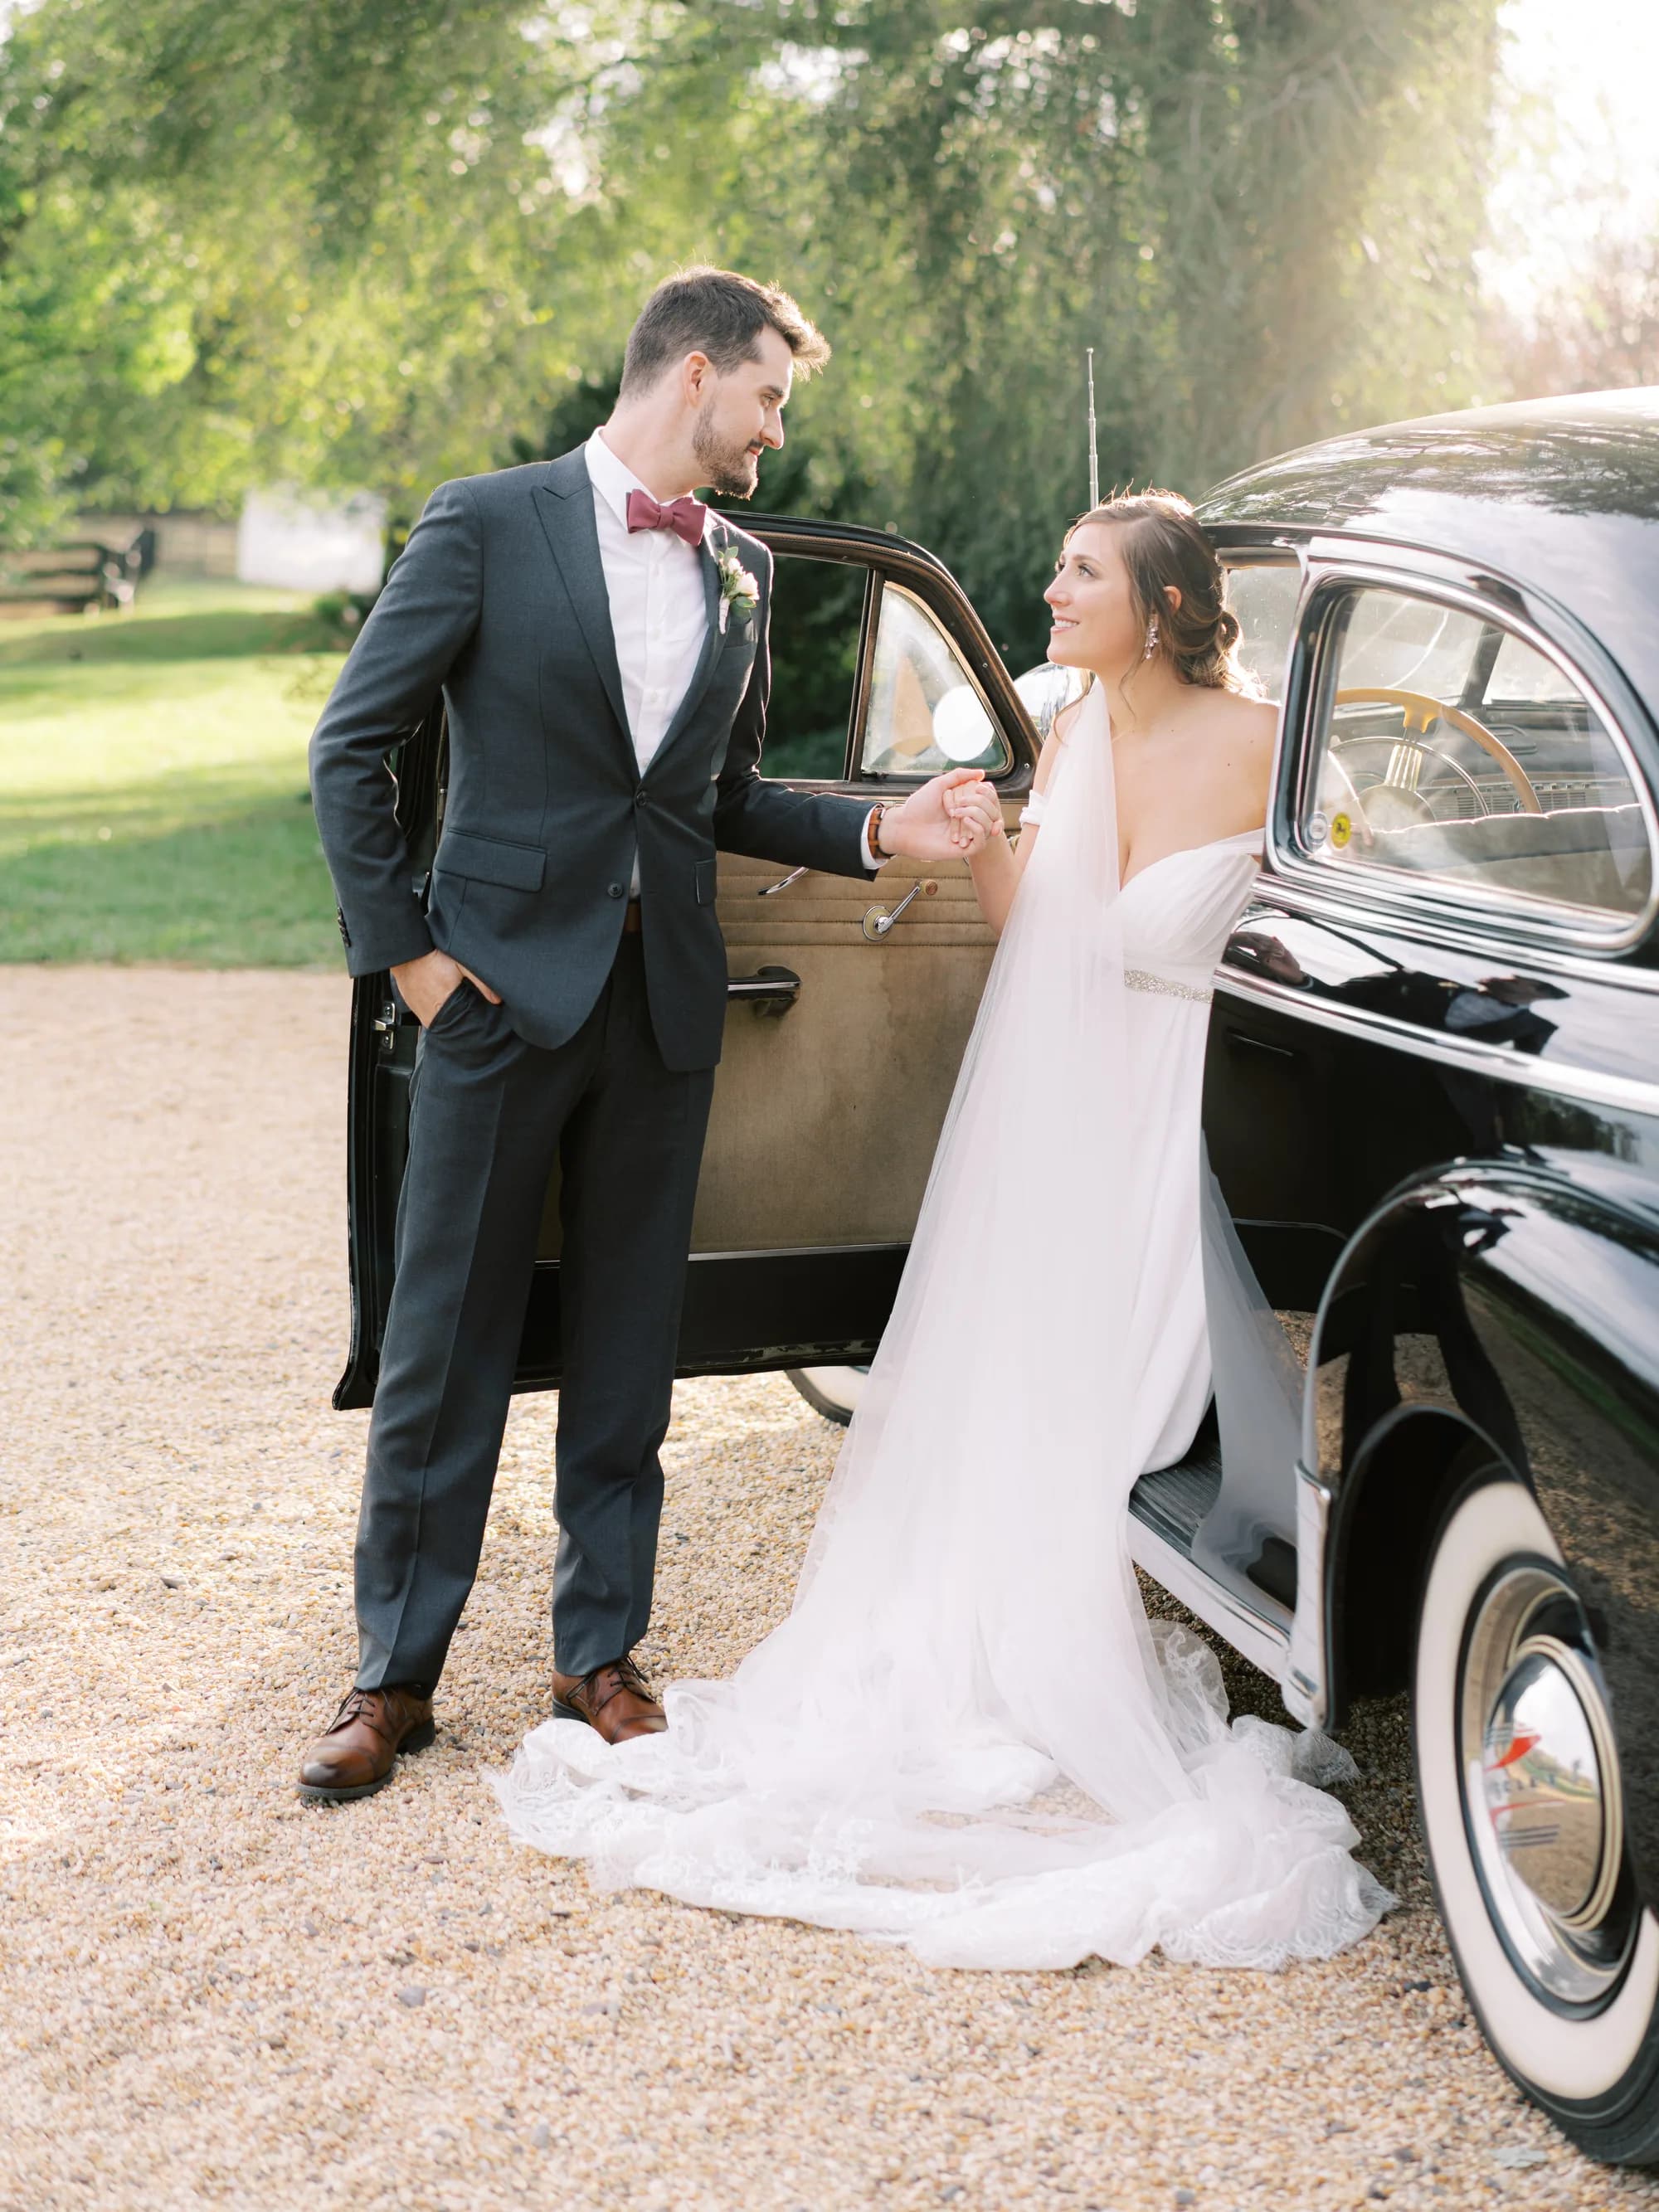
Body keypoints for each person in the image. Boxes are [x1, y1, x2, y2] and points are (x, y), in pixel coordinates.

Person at [494, 493, 1392, 1972]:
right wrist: (978, 836)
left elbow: (1339, 902)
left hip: (1188, 1105)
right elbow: (1047, 924)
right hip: (1073, 1113)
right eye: (1058, 566)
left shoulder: (1277, 746)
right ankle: (1029, 1634)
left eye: (1079, 572)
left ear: (1165, 608)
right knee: (1033, 1395)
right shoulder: (1082, 733)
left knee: (1120, 1390)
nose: (1050, 588)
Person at [299, 267, 1001, 1802]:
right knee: (446, 1344)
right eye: (766, 400)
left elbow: (726, 798)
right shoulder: (486, 520)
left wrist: (895, 831)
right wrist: (409, 960)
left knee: (631, 1348)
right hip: (491, 1006)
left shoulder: (743, 565)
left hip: (665, 1009)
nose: (771, 437)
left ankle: (599, 1655)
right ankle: (392, 1677)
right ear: (692, 372)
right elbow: (354, 742)